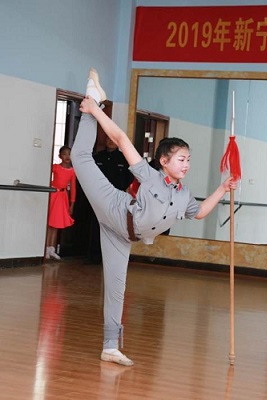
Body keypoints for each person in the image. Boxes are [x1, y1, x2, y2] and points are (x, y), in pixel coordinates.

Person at [71, 68, 238, 367]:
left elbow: (200, 213)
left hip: (123, 235)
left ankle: (110, 347)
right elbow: (120, 139)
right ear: (164, 161)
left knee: (116, 289)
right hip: (114, 208)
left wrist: (223, 188)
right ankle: (92, 97)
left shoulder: (184, 196)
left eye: (188, 160)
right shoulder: (150, 177)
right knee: (80, 157)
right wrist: (95, 111)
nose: (186, 164)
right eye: (181, 159)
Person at [88, 136, 134, 263]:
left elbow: (129, 178)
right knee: (96, 225)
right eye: (108, 139)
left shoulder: (124, 158)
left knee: (113, 227)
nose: (110, 142)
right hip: (99, 197)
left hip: (116, 198)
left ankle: (110, 258)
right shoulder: (97, 157)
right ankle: (94, 256)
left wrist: (121, 189)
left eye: (113, 140)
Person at [46, 146, 77, 260]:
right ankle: (46, 248)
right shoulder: (55, 167)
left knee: (56, 224)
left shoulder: (72, 171)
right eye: (64, 154)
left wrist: (72, 204)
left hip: (62, 198)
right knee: (49, 224)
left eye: (69, 154)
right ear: (60, 156)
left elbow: (73, 188)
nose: (67, 156)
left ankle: (52, 248)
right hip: (53, 195)